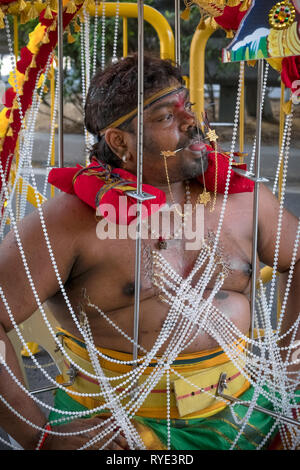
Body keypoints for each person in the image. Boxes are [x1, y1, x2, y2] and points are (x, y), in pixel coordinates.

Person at [0, 54, 299, 451]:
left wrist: (290, 372)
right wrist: (38, 435)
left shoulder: (242, 201)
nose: (193, 122)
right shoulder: (69, 221)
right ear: (120, 141)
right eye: (165, 117)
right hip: (118, 432)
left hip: (249, 418)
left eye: (188, 107)